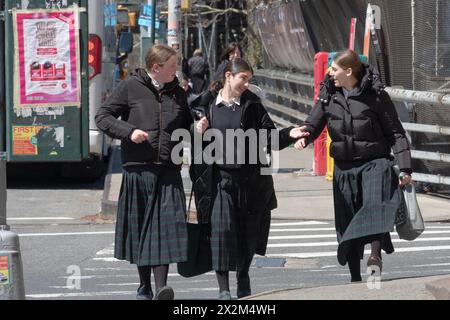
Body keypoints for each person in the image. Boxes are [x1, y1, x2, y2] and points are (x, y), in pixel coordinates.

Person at [192, 58, 308, 299]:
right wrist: (197, 131)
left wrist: (290, 133)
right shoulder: (205, 105)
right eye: (243, 78)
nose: (247, 83)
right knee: (221, 233)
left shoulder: (252, 106)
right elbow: (188, 140)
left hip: (250, 181)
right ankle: (223, 290)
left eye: (249, 79)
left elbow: (269, 138)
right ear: (228, 76)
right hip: (218, 181)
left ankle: (242, 275)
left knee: (247, 235)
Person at [294, 49, 412, 282]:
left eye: (335, 69)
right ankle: (355, 277)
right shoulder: (329, 95)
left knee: (376, 205)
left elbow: (396, 133)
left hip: (375, 161)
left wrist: (405, 167)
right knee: (347, 218)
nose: (330, 73)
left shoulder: (376, 96)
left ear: (349, 71)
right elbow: (313, 123)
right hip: (344, 166)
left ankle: (375, 257)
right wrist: (304, 136)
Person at [95, 44, 193, 300]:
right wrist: (129, 131)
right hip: (139, 171)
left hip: (169, 170)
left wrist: (199, 127)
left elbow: (186, 126)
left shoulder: (178, 92)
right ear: (156, 68)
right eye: (172, 66)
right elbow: (103, 117)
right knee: (142, 230)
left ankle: (162, 288)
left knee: (166, 228)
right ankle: (144, 286)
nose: (176, 70)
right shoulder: (130, 87)